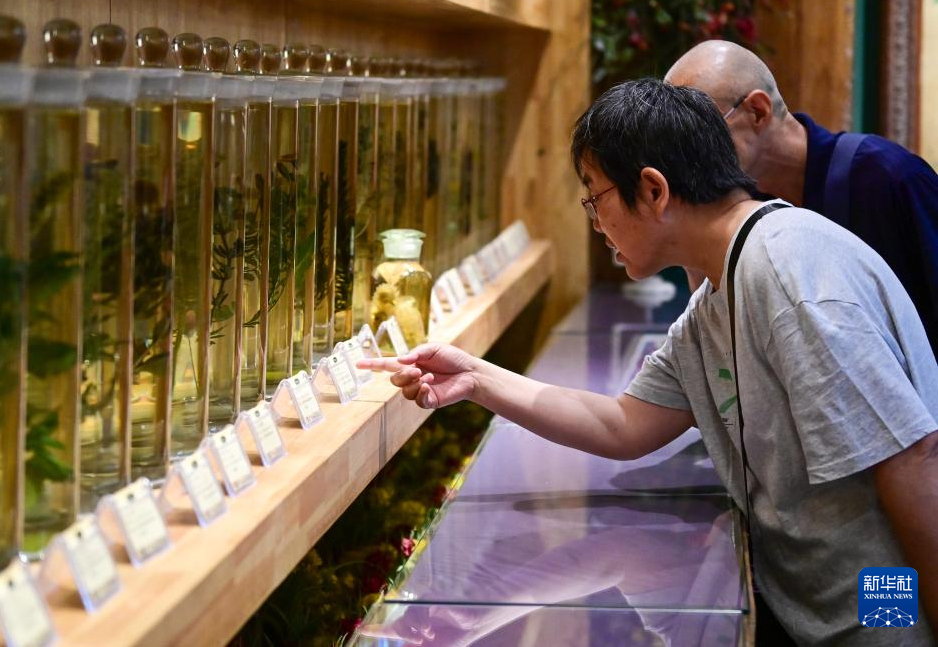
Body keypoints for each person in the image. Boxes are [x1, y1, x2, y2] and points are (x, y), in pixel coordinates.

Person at [359, 79, 938, 646]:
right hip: (822, 613)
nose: (595, 222)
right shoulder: (719, 294)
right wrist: (474, 377)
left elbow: (912, 460)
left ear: (654, 189)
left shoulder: (789, 273)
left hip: (882, 608)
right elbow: (624, 423)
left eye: (595, 197)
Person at [665, 40, 938, 357]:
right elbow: (722, 347)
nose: (688, 158)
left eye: (698, 135)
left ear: (758, 111)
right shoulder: (731, 207)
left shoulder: (888, 176)